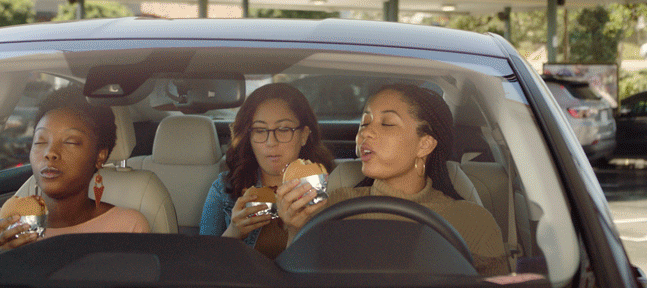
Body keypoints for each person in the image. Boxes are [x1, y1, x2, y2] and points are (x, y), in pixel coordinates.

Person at [277, 83, 510, 276]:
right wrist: (296, 230)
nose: (365, 132)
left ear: (424, 144)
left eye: (387, 123)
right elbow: (301, 279)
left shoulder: (474, 222)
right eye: (364, 122)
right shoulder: (335, 204)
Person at [0, 87, 150, 252]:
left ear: (99, 156)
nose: (50, 153)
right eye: (40, 141)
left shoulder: (127, 228)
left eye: (70, 141)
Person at [199, 82, 334, 259]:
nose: (271, 142)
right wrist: (234, 232)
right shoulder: (223, 189)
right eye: (260, 130)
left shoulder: (330, 187)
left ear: (304, 135)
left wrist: (296, 230)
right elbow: (202, 264)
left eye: (283, 129)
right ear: (249, 137)